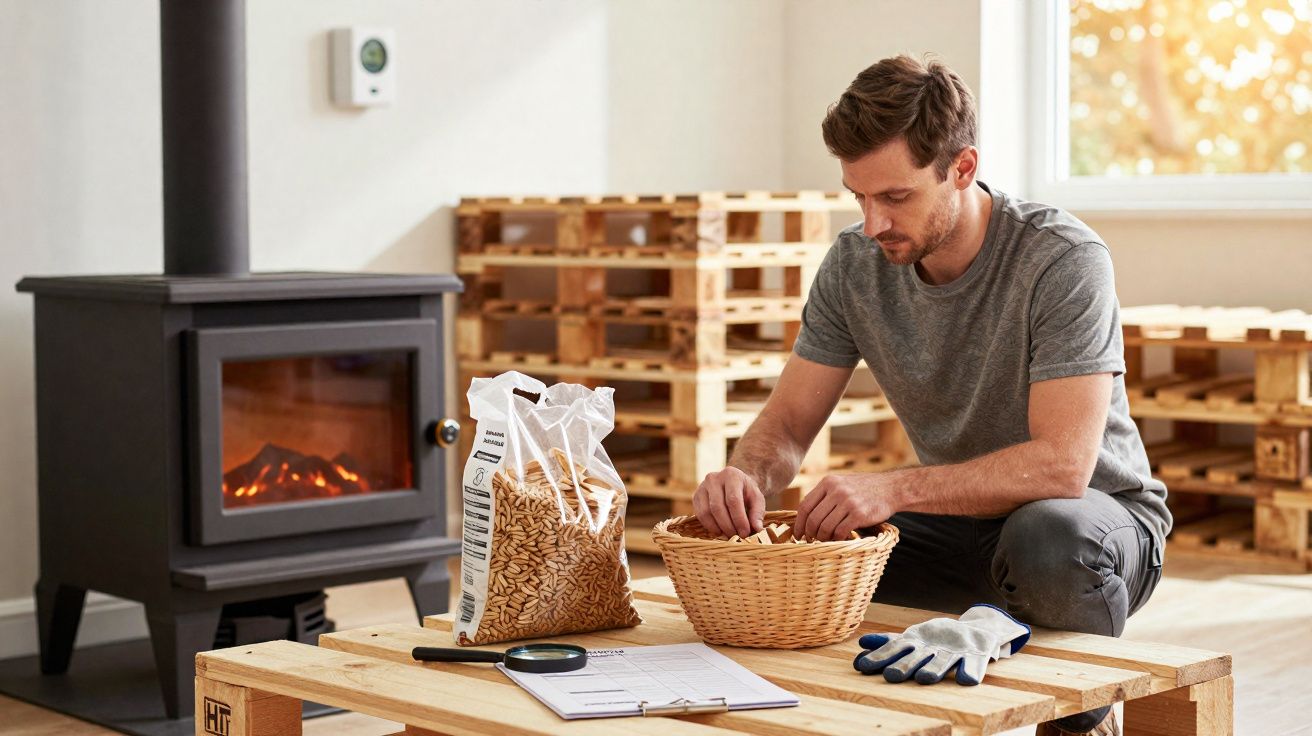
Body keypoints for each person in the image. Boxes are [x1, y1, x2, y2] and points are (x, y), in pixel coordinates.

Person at [691, 55, 1170, 736]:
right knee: (820, 541)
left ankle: (1081, 723)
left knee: (1046, 536)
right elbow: (789, 427)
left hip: (1096, 528)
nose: (872, 222)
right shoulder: (854, 266)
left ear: (963, 168)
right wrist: (745, 475)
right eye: (858, 197)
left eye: (895, 198)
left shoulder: (1062, 259)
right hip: (961, 527)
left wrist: (893, 489)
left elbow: (1063, 467)